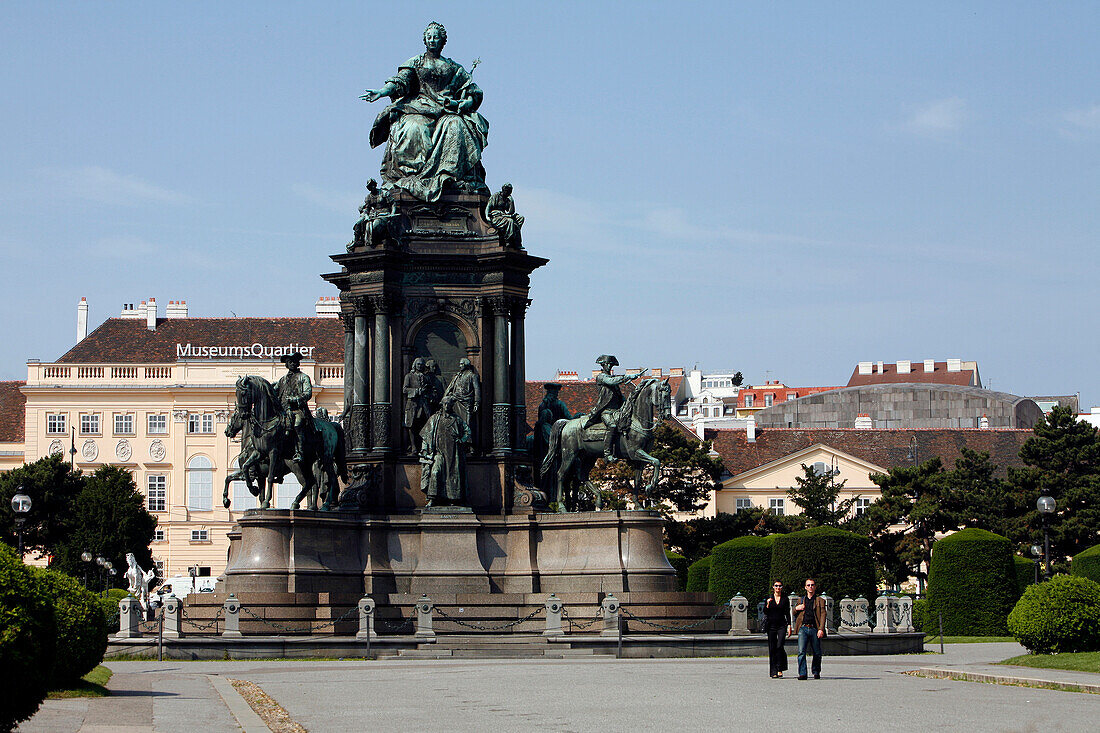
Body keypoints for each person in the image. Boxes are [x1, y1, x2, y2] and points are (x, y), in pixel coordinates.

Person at [360, 22, 489, 202]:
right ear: (424, 40)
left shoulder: (454, 68)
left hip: (446, 111)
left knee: (457, 125)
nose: (432, 40)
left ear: (443, 41)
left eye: (436, 37)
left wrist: (460, 103)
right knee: (413, 128)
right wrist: (382, 92)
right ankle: (410, 178)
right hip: (418, 108)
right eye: (429, 37)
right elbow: (400, 82)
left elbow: (473, 92)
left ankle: (447, 177)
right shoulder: (416, 62)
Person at [581, 355, 647, 463]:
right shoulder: (601, 377)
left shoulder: (612, 379)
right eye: (608, 364)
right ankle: (608, 454)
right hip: (605, 411)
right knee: (612, 425)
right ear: (603, 365)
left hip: (617, 411)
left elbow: (618, 394)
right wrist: (629, 376)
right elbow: (612, 381)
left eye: (611, 365)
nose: (609, 366)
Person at [420, 395, 471, 507]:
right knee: (435, 472)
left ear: (452, 406)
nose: (447, 406)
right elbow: (426, 436)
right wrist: (424, 449)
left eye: (449, 404)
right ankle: (432, 498)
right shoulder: (434, 418)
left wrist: (462, 440)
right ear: (442, 405)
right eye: (445, 403)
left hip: (453, 453)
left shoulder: (457, 419)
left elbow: (468, 432)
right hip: (439, 453)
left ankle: (454, 499)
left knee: (453, 475)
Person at [273, 351, 313, 463]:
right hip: (283, 411)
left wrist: (295, 399)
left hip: (298, 409)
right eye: (289, 362)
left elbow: (308, 393)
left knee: (297, 424)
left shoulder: (303, 377)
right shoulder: (282, 380)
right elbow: (274, 391)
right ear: (286, 364)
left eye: (294, 361)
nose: (292, 364)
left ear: (298, 363)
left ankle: (299, 452)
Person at [792, 577, 827, 679]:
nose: (810, 587)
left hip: (814, 628)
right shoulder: (801, 600)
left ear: (815, 587)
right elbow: (794, 613)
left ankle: (816, 671)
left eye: (812, 585)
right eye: (808, 585)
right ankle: (802, 673)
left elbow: (823, 615)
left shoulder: (819, 600)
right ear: (805, 587)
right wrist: (796, 608)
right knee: (801, 652)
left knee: (817, 652)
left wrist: (821, 629)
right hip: (803, 628)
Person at [763, 580, 791, 678]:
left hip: (782, 625)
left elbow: (787, 613)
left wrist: (789, 625)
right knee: (772, 648)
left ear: (782, 587)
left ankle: (780, 667)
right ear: (773, 587)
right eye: (776, 586)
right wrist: (767, 604)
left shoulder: (785, 599)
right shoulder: (769, 598)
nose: (778, 588)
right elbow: (765, 611)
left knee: (779, 646)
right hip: (771, 626)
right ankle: (773, 671)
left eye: (779, 586)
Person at [486, 183, 524, 248]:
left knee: (520, 218)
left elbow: (511, 212)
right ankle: (509, 240)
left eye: (510, 191)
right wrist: (487, 217)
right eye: (508, 191)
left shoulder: (508, 198)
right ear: (504, 190)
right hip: (496, 216)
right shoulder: (496, 196)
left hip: (504, 216)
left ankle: (516, 238)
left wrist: (511, 201)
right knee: (510, 221)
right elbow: (488, 207)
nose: (509, 193)